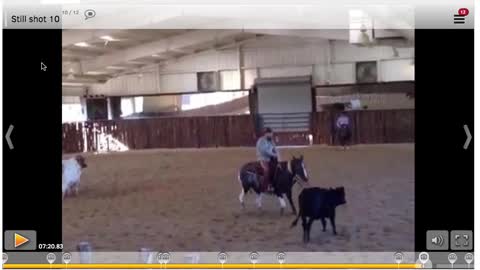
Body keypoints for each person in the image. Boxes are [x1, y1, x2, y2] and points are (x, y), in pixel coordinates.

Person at [256, 127, 279, 192]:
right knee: (266, 170)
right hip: (263, 158)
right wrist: (274, 154)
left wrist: (276, 154)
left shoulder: (271, 141)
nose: (272, 135)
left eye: (272, 134)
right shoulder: (261, 141)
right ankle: (265, 186)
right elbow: (265, 151)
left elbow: (274, 148)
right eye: (271, 133)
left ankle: (273, 184)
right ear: (266, 134)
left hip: (270, 158)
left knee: (277, 168)